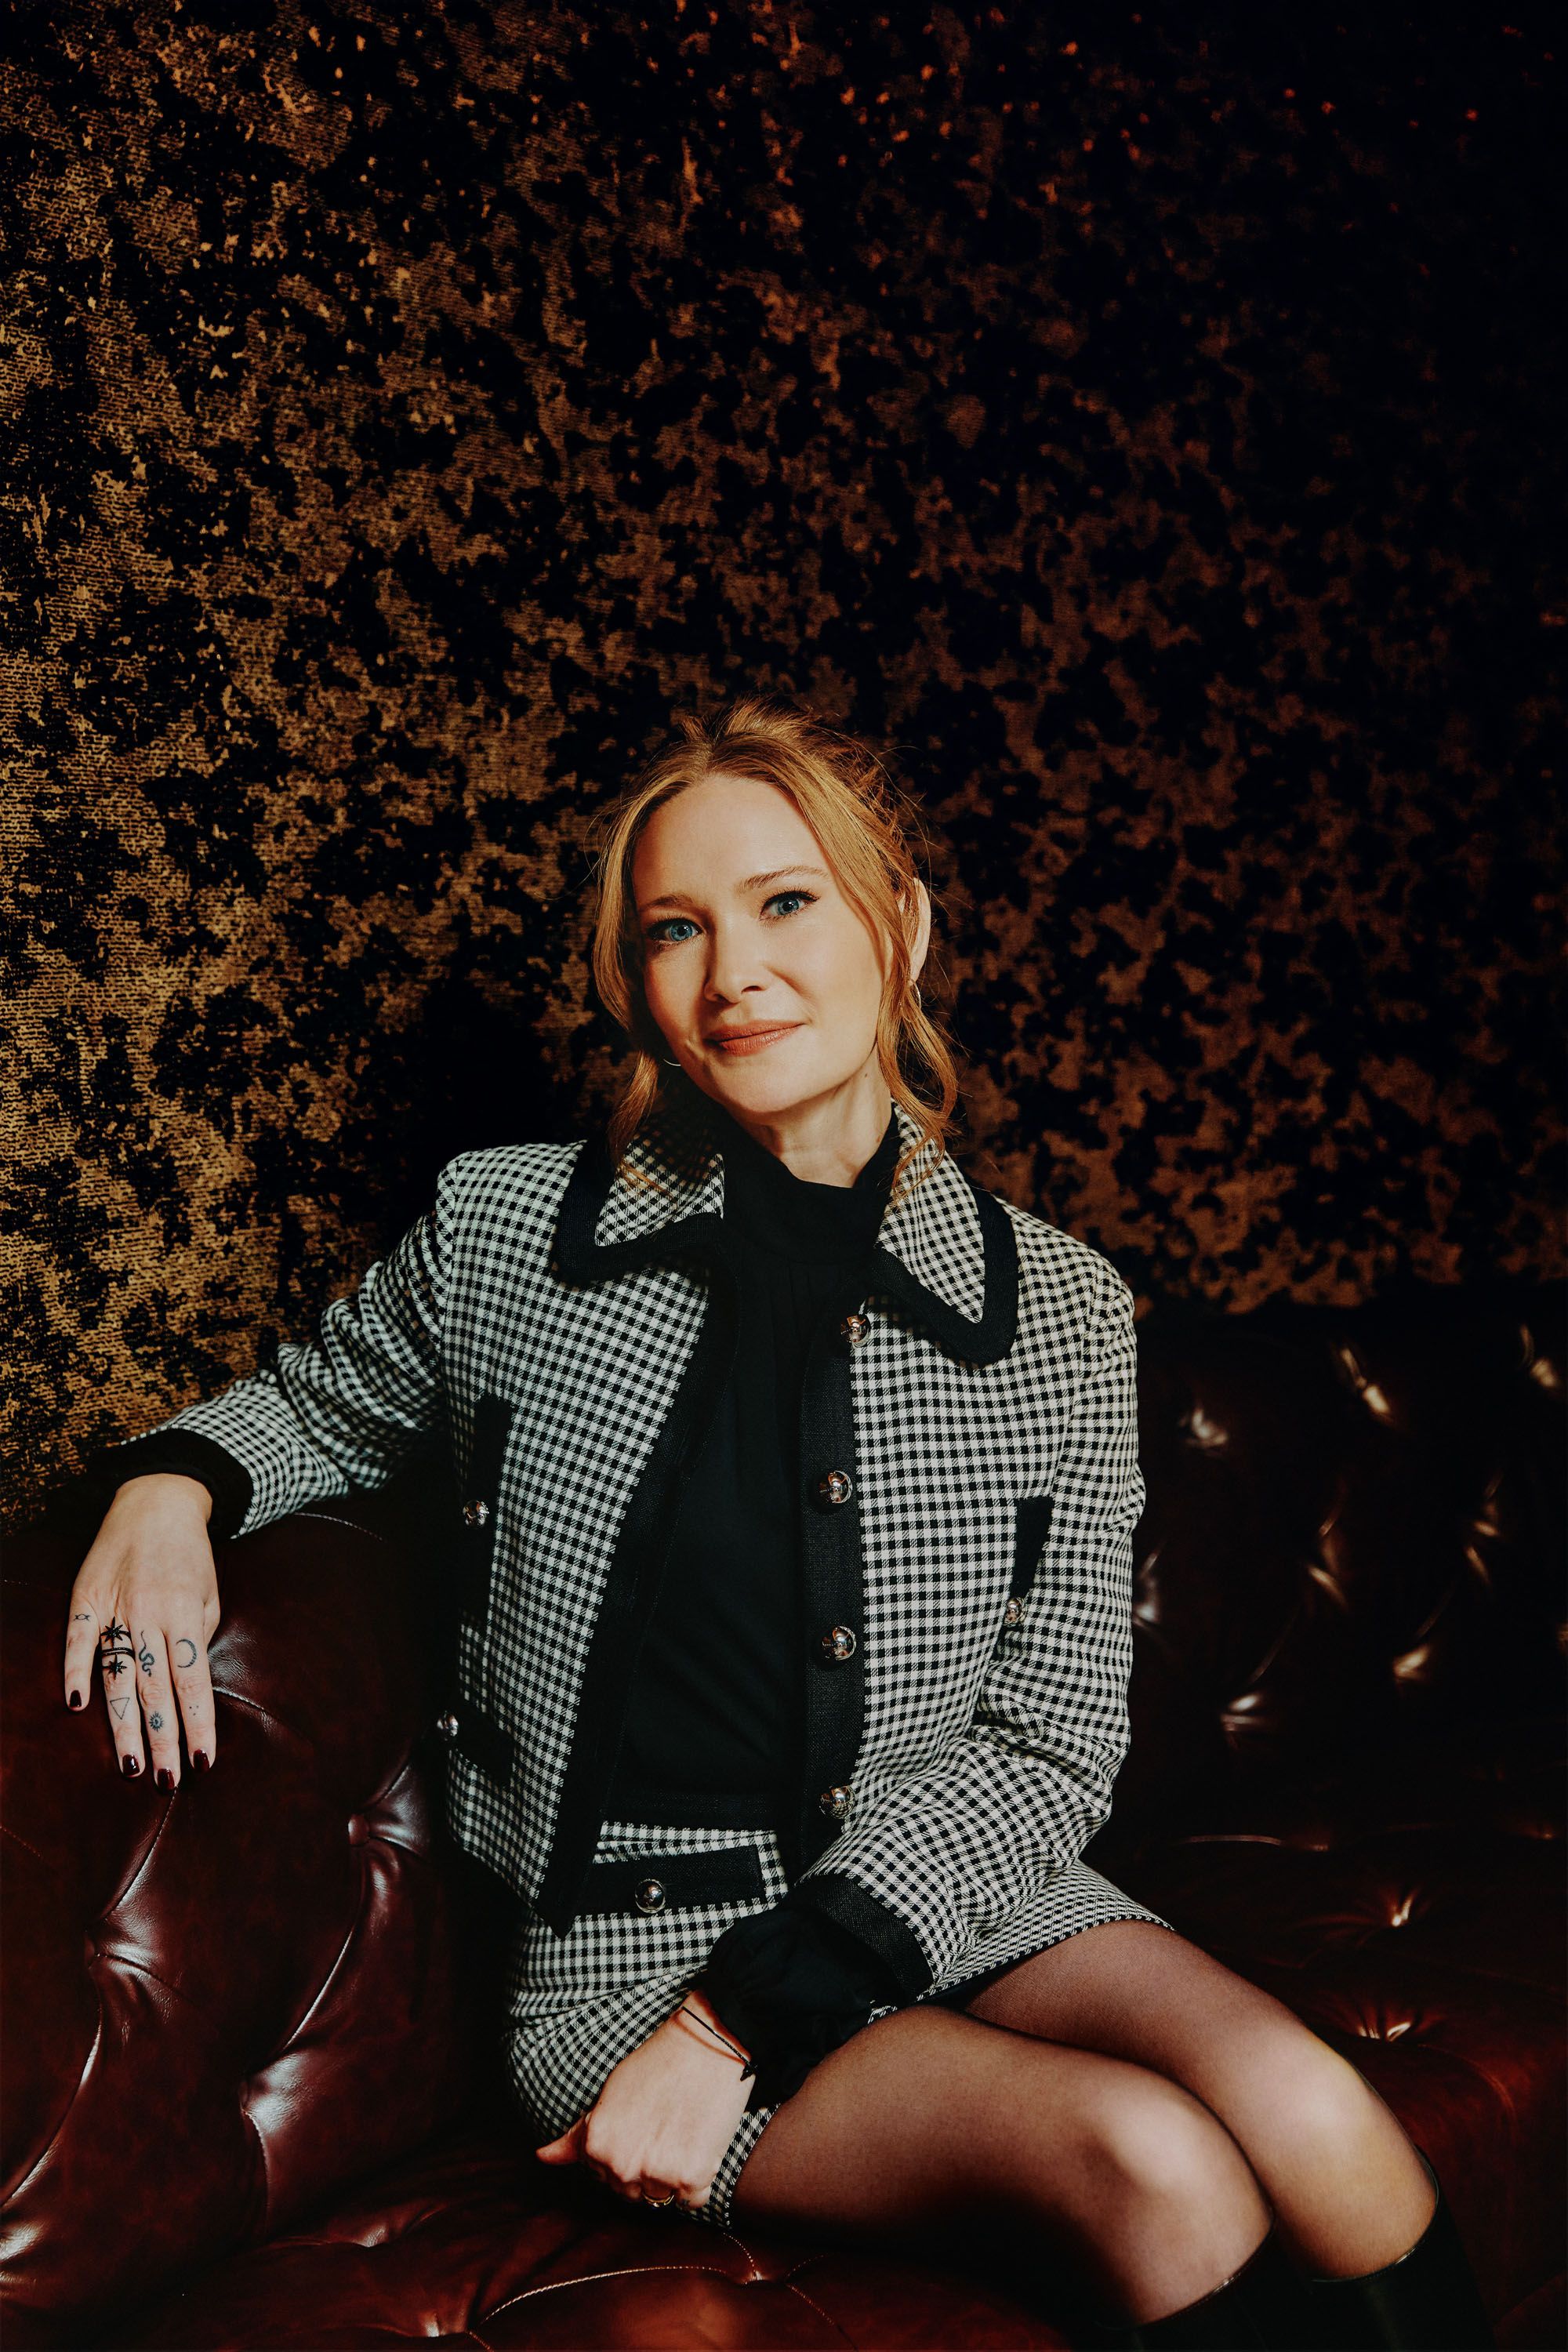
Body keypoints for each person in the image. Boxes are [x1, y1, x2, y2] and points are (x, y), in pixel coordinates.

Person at [64, 696, 1494, 2350]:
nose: (732, 971)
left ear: (902, 927)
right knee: (1152, 2164)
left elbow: (1050, 1744)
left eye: (785, 902)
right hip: (630, 1953)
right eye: (675, 929)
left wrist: (740, 2027)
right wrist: (169, 1484)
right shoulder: (510, 1228)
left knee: (1313, 2107)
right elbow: (322, 1400)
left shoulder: (1058, 1310)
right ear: (635, 980)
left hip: (948, 1882)